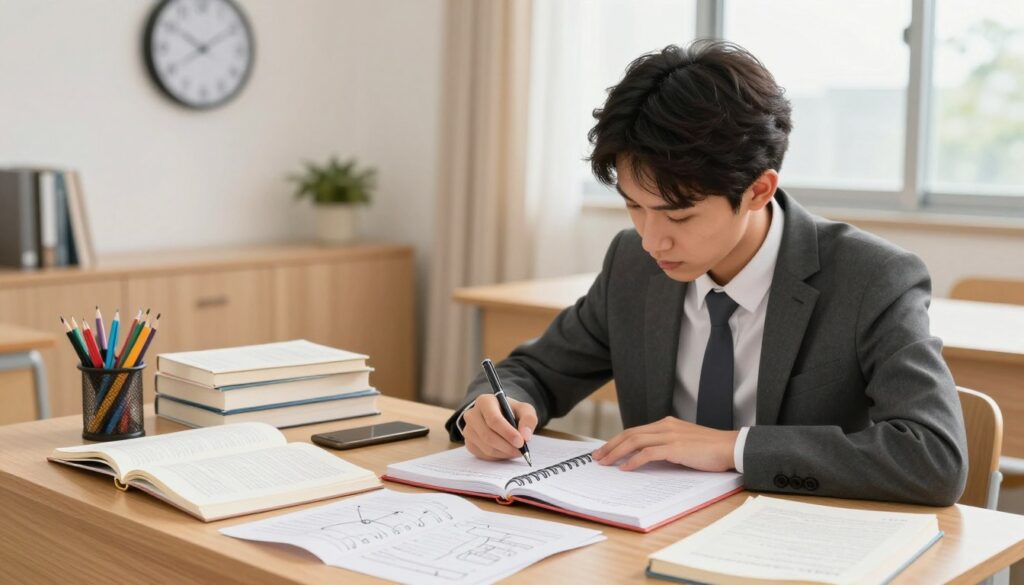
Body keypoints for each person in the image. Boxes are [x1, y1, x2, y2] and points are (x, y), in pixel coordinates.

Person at [444, 40, 967, 506]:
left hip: (800, 542)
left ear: (758, 190)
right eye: (633, 206)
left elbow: (933, 458)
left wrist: (733, 447)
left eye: (679, 215)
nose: (652, 240)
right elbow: (532, 372)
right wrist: (493, 408)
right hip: (653, 534)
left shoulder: (871, 278)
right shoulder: (633, 263)